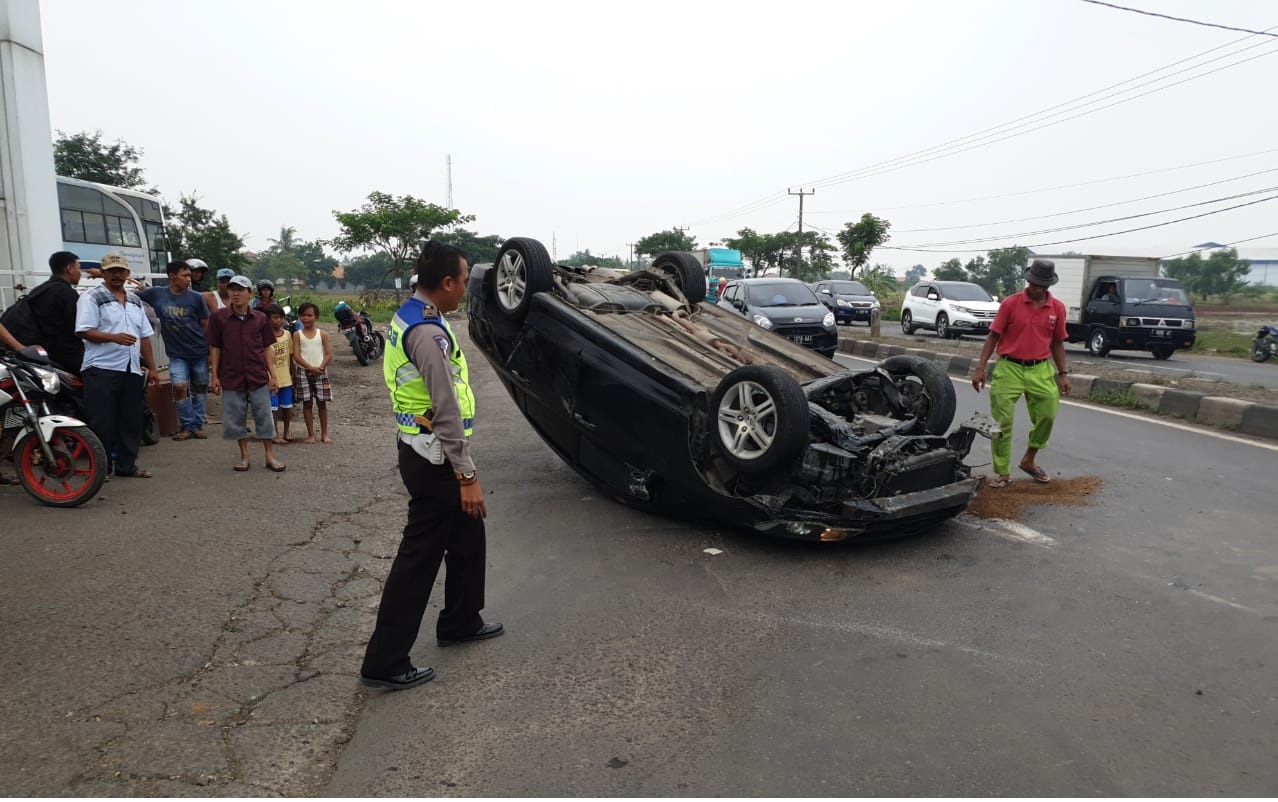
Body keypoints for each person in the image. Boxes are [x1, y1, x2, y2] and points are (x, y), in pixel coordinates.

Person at [360, 241, 502, 691]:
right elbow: (445, 410)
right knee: (418, 558)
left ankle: (461, 619)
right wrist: (467, 476)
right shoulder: (427, 332)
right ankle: (385, 660)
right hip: (435, 456)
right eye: (462, 280)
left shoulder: (415, 314)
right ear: (446, 282)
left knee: (468, 535)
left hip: (423, 448)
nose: (464, 288)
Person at [971, 259, 1072, 489]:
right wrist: (980, 369)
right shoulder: (1010, 304)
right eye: (1035, 284)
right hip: (1009, 367)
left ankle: (1029, 460)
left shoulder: (1057, 308)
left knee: (1047, 415)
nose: (1038, 289)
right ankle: (1002, 473)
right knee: (1002, 422)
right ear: (1028, 281)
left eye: (1044, 286)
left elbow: (1057, 343)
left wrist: (1063, 374)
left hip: (1041, 368)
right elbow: (993, 337)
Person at [74, 252, 159, 478]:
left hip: (130, 368)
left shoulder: (134, 300)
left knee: (131, 419)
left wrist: (152, 368)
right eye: (112, 271)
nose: (117, 275)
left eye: (120, 271)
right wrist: (114, 338)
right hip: (101, 368)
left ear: (127, 274)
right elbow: (83, 330)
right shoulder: (92, 297)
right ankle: (102, 469)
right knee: (102, 420)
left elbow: (145, 337)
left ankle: (126, 466)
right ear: (103, 273)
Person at [208, 275, 284, 472]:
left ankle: (269, 456)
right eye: (232, 289)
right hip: (231, 376)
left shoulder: (260, 318)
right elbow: (215, 348)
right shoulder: (219, 317)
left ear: (250, 293)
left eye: (240, 289)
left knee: (264, 416)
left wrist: (273, 375)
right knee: (236, 418)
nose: (235, 293)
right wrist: (214, 376)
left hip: (257, 375)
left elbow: (267, 348)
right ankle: (244, 456)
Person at [138, 260, 211, 440]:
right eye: (185, 275)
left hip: (199, 352)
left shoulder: (196, 298)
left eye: (189, 276)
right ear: (172, 277)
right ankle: (186, 425)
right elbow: (133, 294)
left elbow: (206, 325)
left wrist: (210, 352)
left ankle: (197, 425)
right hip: (177, 354)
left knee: (200, 389)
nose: (189, 279)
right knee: (179, 387)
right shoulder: (157, 294)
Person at [0, 250, 85, 375]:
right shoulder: (66, 293)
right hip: (58, 353)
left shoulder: (42, 289)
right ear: (69, 269)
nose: (80, 273)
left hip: (32, 347)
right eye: (79, 268)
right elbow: (77, 329)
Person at [290, 302, 334, 444]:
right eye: (303, 315)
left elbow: (328, 354)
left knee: (322, 404)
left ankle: (324, 434)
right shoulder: (297, 335)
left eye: (309, 315)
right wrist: (310, 368)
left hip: (320, 372)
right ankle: (311, 435)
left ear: (316, 317)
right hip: (304, 373)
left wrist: (319, 367)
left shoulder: (323, 334)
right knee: (307, 404)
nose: (306, 318)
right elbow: (296, 356)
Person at [263, 304, 295, 444]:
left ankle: (286, 432)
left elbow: (291, 355)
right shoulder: (263, 336)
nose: (279, 320)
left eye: (281, 317)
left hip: (286, 377)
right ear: (268, 319)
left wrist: (293, 373)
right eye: (275, 318)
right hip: (271, 378)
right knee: (273, 408)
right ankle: (275, 433)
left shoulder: (287, 334)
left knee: (287, 407)